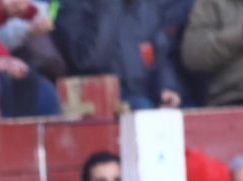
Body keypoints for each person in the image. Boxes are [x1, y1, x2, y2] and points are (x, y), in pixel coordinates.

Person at [54, 0, 186, 108]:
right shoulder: (73, 5)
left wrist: (167, 87)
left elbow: (161, 56)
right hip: (100, 101)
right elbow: (88, 59)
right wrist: (111, 5)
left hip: (145, 93)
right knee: (142, 107)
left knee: (185, 114)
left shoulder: (147, 6)